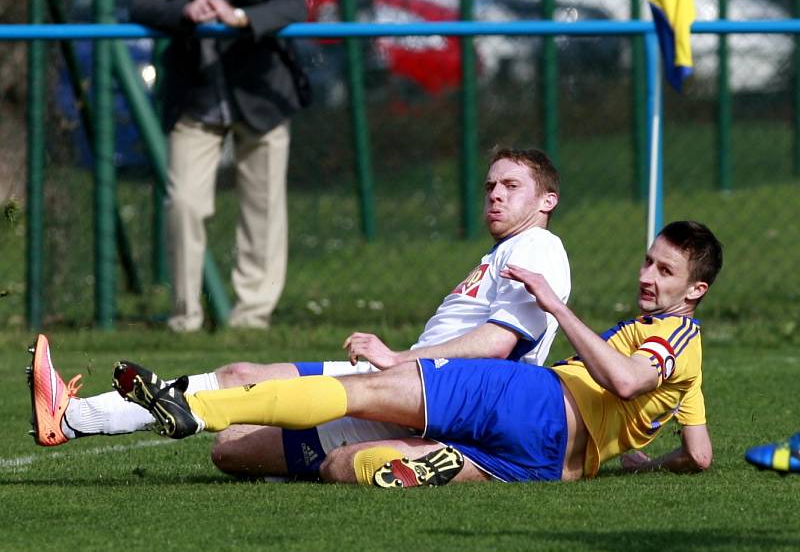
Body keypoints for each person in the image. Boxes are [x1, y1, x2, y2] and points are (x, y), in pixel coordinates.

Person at [29, 147, 571, 481]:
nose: (495, 196)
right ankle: (73, 418)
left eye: (511, 186)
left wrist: (398, 357)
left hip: (425, 396)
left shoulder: (538, 249)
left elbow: (501, 343)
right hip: (409, 391)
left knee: (238, 415)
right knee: (232, 439)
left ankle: (76, 417)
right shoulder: (503, 253)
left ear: (546, 201)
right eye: (490, 186)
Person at [107, 220, 723, 488]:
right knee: (341, 463)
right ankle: (423, 465)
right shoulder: (687, 367)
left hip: (531, 400)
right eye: (648, 261)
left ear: (695, 290)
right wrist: (644, 462)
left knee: (366, 387)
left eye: (665, 270)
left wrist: (556, 307)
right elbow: (698, 456)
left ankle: (198, 410)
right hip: (549, 464)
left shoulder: (671, 335)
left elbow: (620, 380)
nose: (647, 276)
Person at [130, 0, 307, 332]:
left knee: (263, 208)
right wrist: (185, 10)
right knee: (184, 203)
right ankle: (184, 316)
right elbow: (142, 3)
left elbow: (293, 2)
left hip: (261, 92)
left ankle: (252, 318)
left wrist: (242, 17)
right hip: (196, 96)